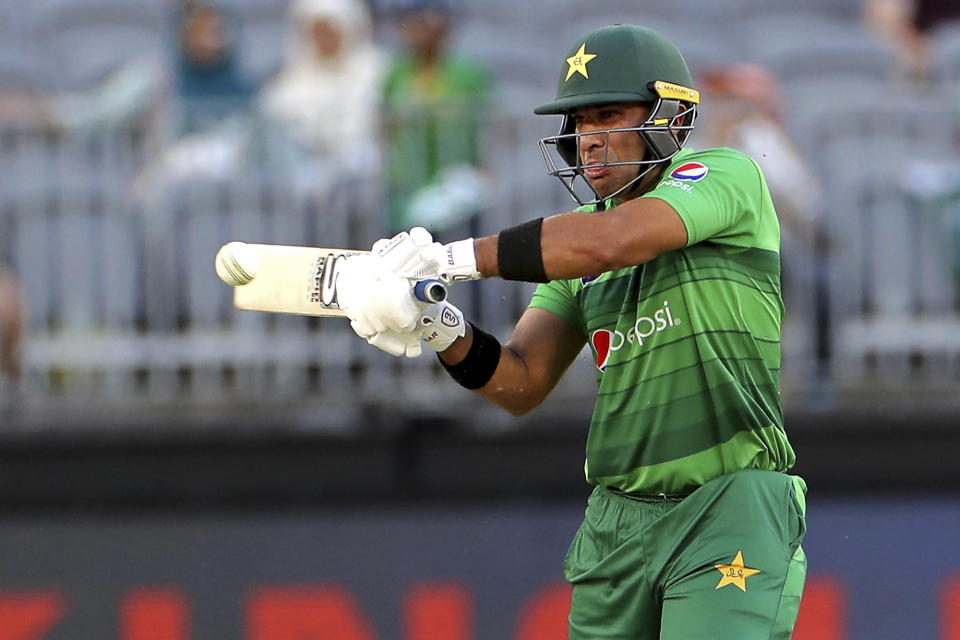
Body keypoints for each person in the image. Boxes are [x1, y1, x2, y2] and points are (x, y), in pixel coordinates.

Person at [335, 24, 807, 638]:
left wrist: (446, 258)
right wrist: (434, 319)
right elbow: (521, 382)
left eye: (608, 115)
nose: (588, 140)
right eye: (579, 123)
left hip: (727, 508)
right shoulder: (574, 250)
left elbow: (617, 241)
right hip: (617, 523)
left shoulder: (725, 177)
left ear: (668, 117)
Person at [380, 0, 491, 236]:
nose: (421, 29)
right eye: (414, 21)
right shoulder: (396, 72)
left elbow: (491, 123)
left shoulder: (468, 72)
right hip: (407, 183)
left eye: (428, 20)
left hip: (456, 177)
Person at [258, 0, 384, 176]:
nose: (324, 39)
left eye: (330, 30)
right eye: (317, 32)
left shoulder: (376, 72)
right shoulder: (289, 81)